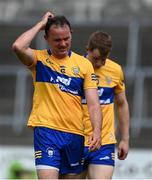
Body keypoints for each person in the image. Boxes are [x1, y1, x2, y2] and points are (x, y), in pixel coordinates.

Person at [12, 12, 102, 179]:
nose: (63, 44)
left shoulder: (84, 65)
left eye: (66, 38)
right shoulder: (39, 60)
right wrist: (41, 24)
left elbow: (93, 103)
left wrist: (97, 130)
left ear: (71, 34)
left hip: (75, 134)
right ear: (46, 38)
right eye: (57, 40)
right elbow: (18, 46)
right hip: (46, 132)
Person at [81, 31, 130, 179]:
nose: (100, 63)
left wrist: (125, 139)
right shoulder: (75, 68)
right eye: (96, 58)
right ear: (87, 49)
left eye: (104, 59)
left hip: (104, 141)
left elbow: (122, 104)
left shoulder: (115, 70)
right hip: (75, 140)